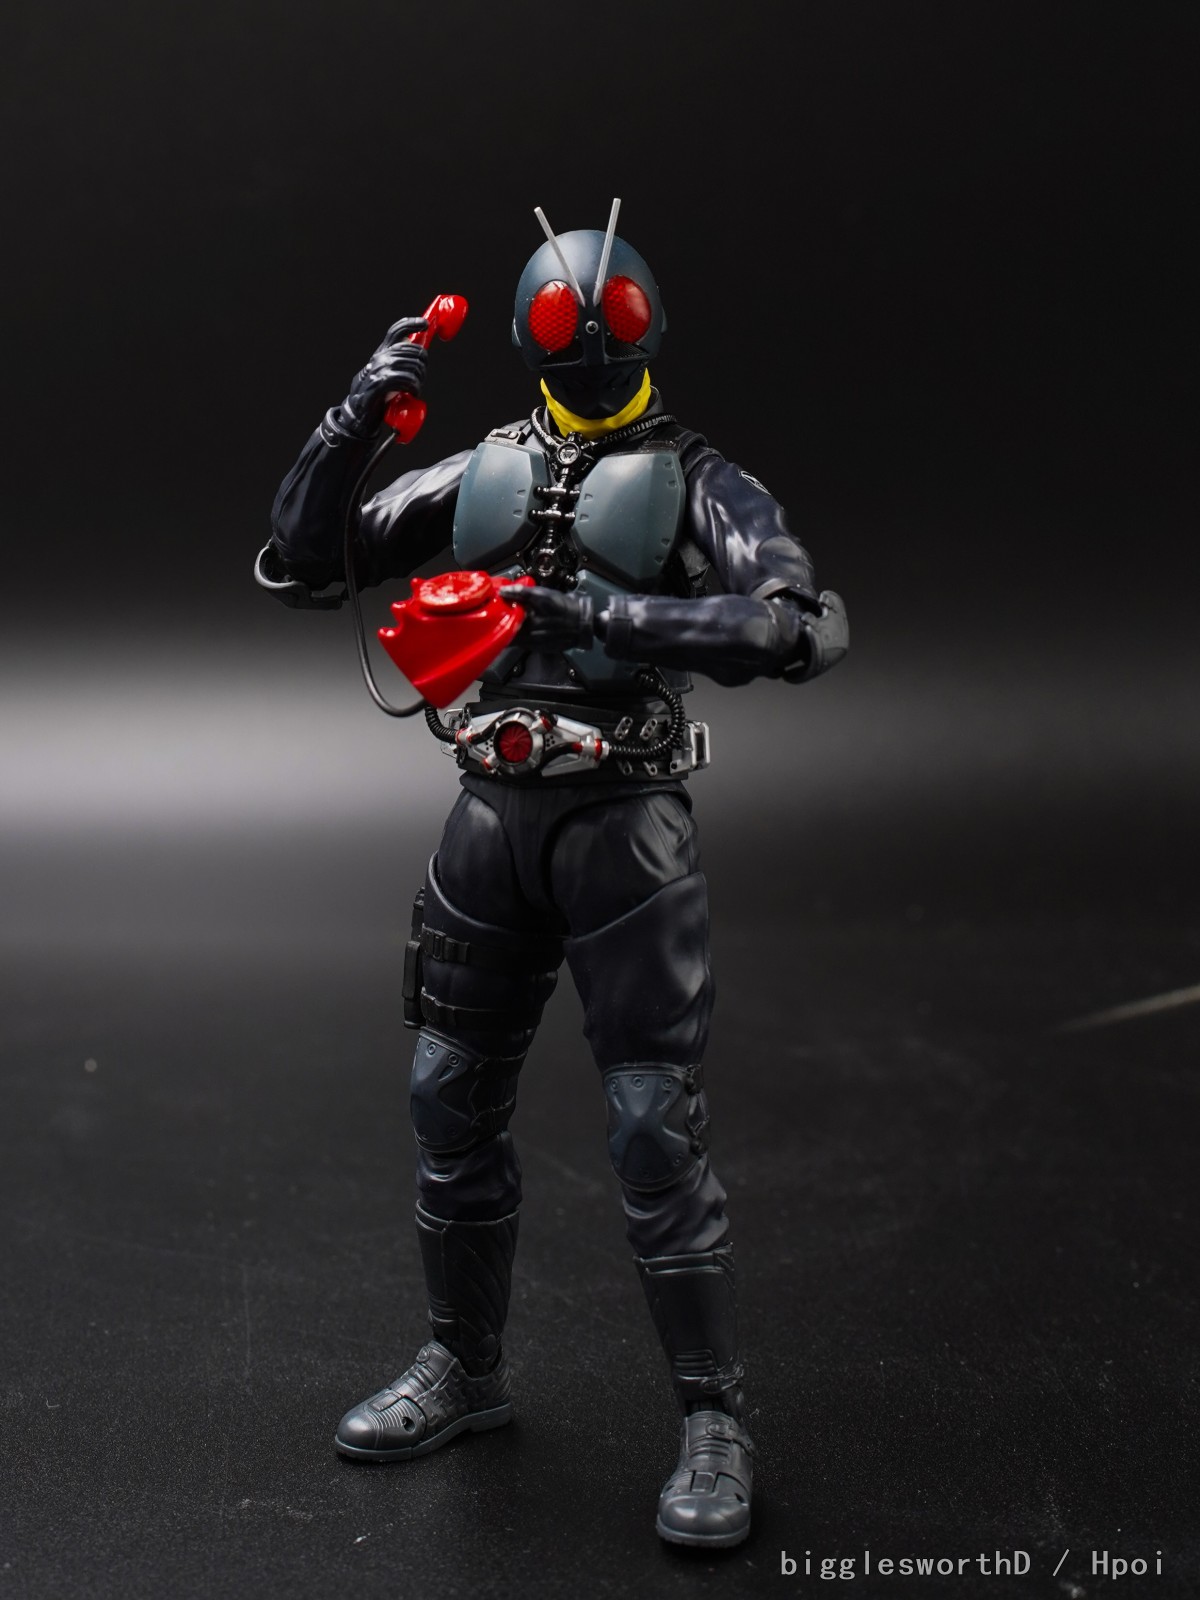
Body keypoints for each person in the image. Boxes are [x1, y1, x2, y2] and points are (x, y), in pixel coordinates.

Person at [257, 201, 847, 1549]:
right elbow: (302, 561)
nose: (585, 334)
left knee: (651, 1126)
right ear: (528, 331)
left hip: (623, 828)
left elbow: (799, 625)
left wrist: (619, 618)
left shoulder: (697, 480)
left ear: (644, 326)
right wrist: (353, 418)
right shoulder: (483, 469)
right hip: (488, 815)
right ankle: (462, 1366)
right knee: (446, 1094)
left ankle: (713, 1417)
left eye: (609, 316)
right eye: (562, 317)